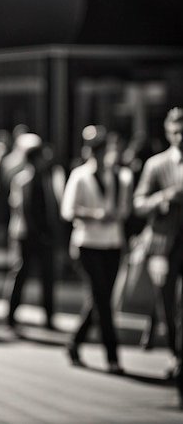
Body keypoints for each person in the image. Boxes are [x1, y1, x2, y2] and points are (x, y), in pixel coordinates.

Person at [61, 125, 134, 375]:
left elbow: (126, 209)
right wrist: (95, 215)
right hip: (88, 244)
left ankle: (74, 342)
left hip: (112, 244)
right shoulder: (80, 175)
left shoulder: (121, 176)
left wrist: (115, 214)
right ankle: (112, 356)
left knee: (100, 298)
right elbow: (68, 210)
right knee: (103, 301)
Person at [133, 107, 183, 383]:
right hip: (163, 245)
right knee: (166, 302)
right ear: (168, 133)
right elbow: (138, 203)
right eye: (176, 132)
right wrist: (163, 198)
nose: (181, 137)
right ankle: (174, 352)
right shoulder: (156, 165)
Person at [3, 137, 65, 331]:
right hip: (26, 234)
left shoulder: (47, 177)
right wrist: (37, 232)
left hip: (45, 233)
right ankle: (11, 316)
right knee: (21, 273)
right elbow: (23, 209)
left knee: (48, 275)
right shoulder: (22, 180)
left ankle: (49, 316)